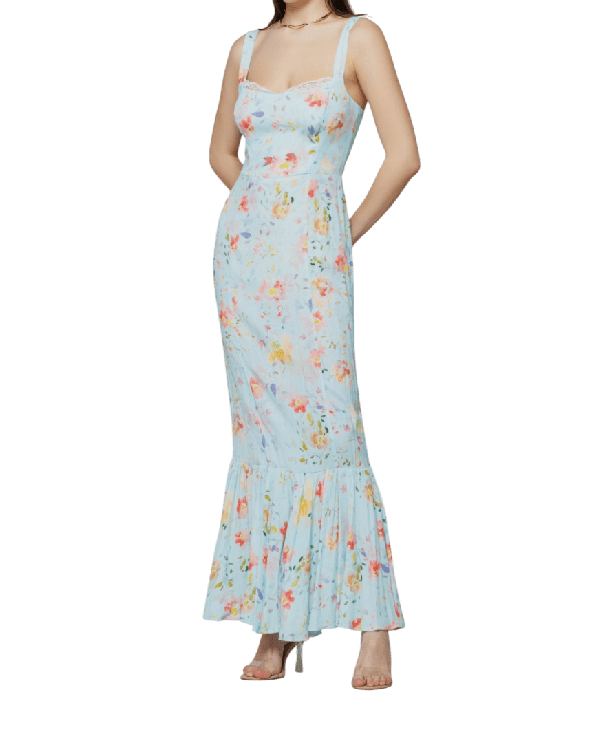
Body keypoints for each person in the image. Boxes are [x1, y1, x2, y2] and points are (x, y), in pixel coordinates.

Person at [204, 0, 421, 690]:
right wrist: (263, 210)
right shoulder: (245, 46)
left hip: (315, 260)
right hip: (243, 260)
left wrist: (337, 233)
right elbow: (220, 151)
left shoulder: (360, 36)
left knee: (333, 426)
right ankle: (276, 623)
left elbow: (404, 157)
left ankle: (374, 622)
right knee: (262, 435)